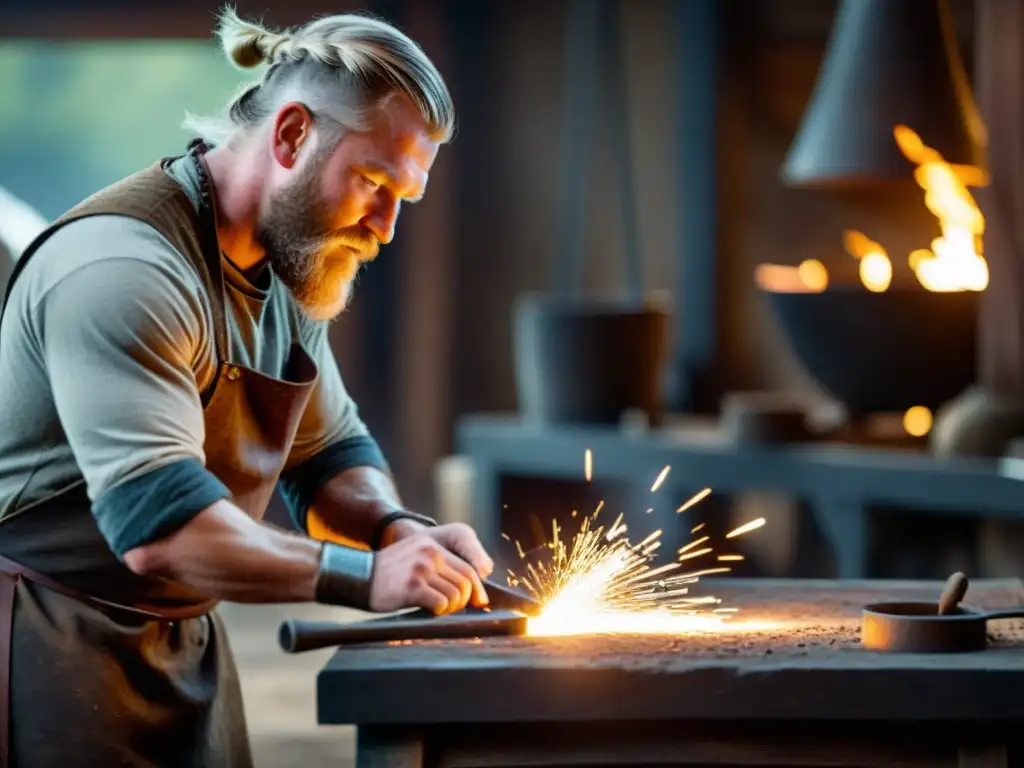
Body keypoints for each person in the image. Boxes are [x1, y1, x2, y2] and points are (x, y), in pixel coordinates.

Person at [0, 7, 495, 766]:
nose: (387, 227)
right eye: (372, 182)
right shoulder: (124, 272)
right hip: (44, 645)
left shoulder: (288, 267)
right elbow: (161, 531)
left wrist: (397, 531)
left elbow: (327, 456)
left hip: (184, 646)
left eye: (405, 196)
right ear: (293, 134)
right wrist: (366, 579)